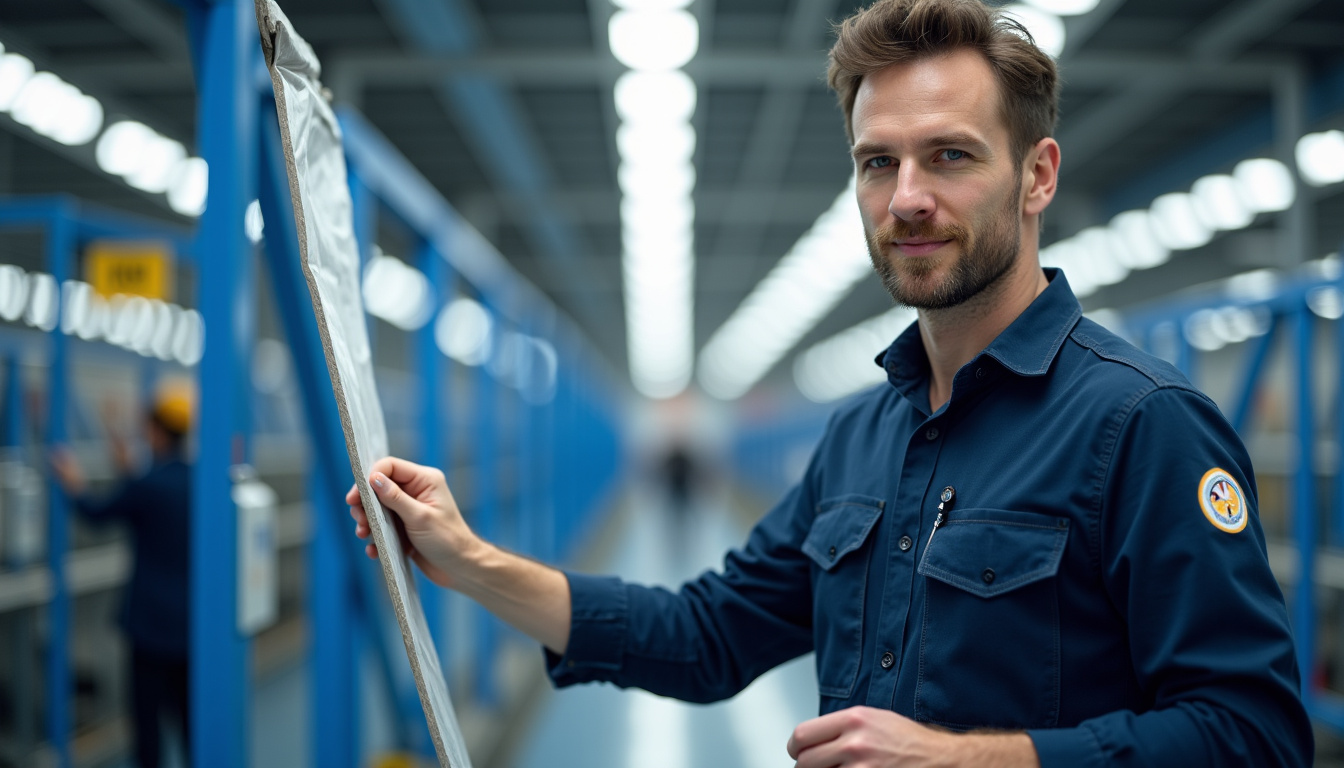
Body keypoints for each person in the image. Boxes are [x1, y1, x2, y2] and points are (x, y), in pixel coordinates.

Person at [347, 0, 1313, 764]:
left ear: (1038, 174)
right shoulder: (860, 438)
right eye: (876, 163)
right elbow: (706, 633)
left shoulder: (1144, 424)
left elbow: (1255, 734)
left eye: (950, 156)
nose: (908, 199)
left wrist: (973, 761)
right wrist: (470, 560)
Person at [51, 383, 194, 768]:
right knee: (189, 723)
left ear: (155, 431)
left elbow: (97, 514)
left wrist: (72, 484)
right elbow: (145, 490)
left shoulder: (146, 485)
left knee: (147, 729)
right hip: (189, 627)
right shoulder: (197, 483)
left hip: (148, 628)